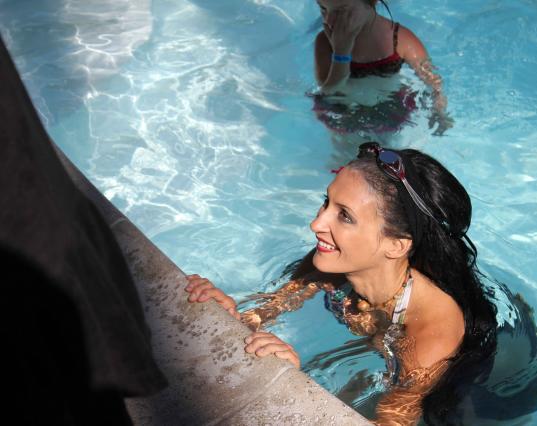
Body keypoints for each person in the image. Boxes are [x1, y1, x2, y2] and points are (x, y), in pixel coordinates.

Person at [186, 142, 498, 424]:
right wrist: (230, 316)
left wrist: (295, 386)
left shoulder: (433, 332)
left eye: (344, 216)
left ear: (396, 245)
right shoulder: (332, 261)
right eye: (327, 202)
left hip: (471, 390)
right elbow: (266, 310)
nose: (317, 223)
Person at [312, 0, 454, 136]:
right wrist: (342, 52)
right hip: (344, 113)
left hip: (389, 110)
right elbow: (328, 90)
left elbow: (433, 84)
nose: (328, 20)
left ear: (372, 2)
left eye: (341, 11)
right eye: (323, 9)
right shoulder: (325, 42)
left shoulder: (400, 40)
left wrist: (438, 113)